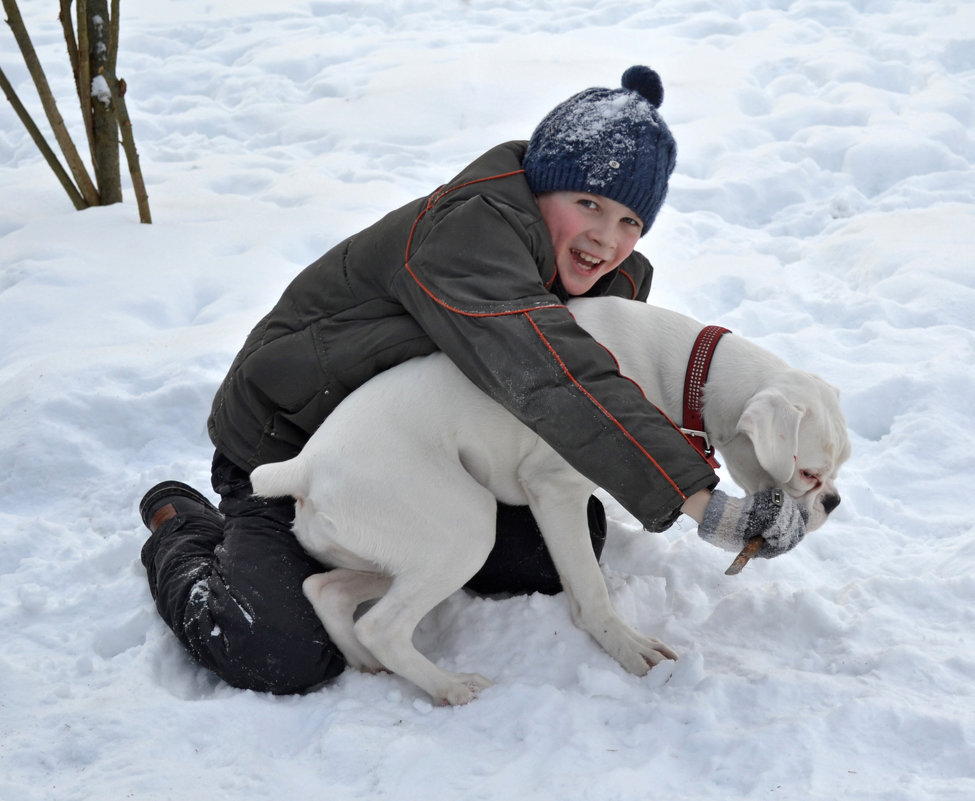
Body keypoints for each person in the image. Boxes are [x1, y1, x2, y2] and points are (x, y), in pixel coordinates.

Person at [139, 66, 807, 695]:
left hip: (419, 459)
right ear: (541, 184)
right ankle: (184, 526)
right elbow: (550, 372)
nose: (606, 238)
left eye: (630, 220)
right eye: (588, 204)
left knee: (559, 551)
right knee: (277, 650)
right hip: (287, 442)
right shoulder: (470, 236)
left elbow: (579, 414)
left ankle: (382, 545)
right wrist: (703, 502)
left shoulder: (615, 282)